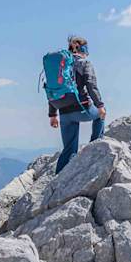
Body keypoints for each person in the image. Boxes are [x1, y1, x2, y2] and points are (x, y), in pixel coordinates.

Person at [50, 35, 106, 173]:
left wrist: (52, 114)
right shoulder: (85, 63)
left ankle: (56, 184)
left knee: (69, 149)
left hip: (63, 112)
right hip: (81, 109)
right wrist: (100, 106)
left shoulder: (60, 66)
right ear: (84, 49)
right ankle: (94, 147)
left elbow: (52, 90)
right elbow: (91, 85)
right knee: (100, 116)